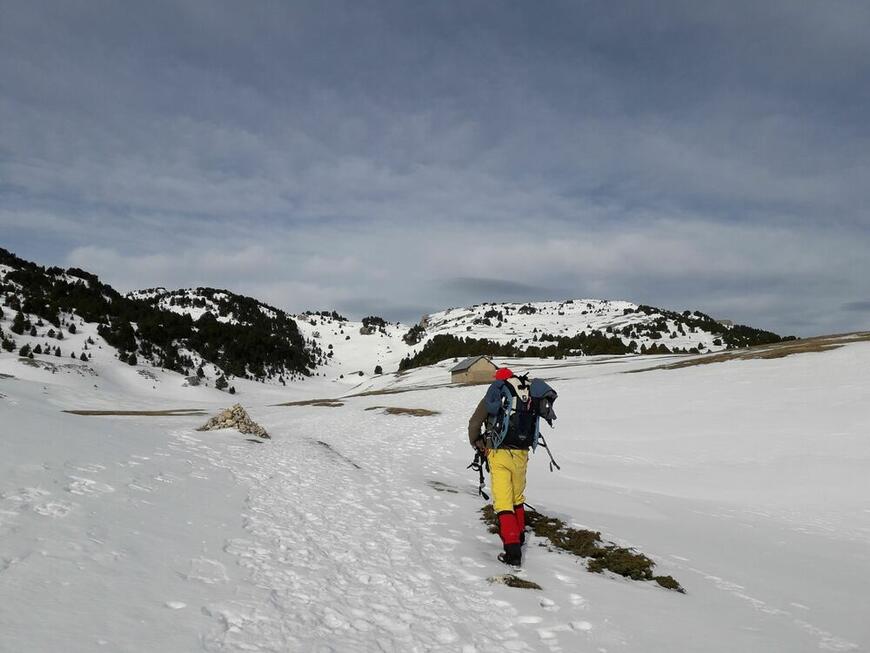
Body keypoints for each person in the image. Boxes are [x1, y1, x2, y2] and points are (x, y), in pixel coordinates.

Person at [468, 367, 530, 567]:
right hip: (521, 452)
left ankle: (512, 551)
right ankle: (519, 536)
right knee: (517, 498)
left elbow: (474, 423)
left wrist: (477, 442)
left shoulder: (495, 394)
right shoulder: (524, 395)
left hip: (498, 452)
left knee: (503, 502)